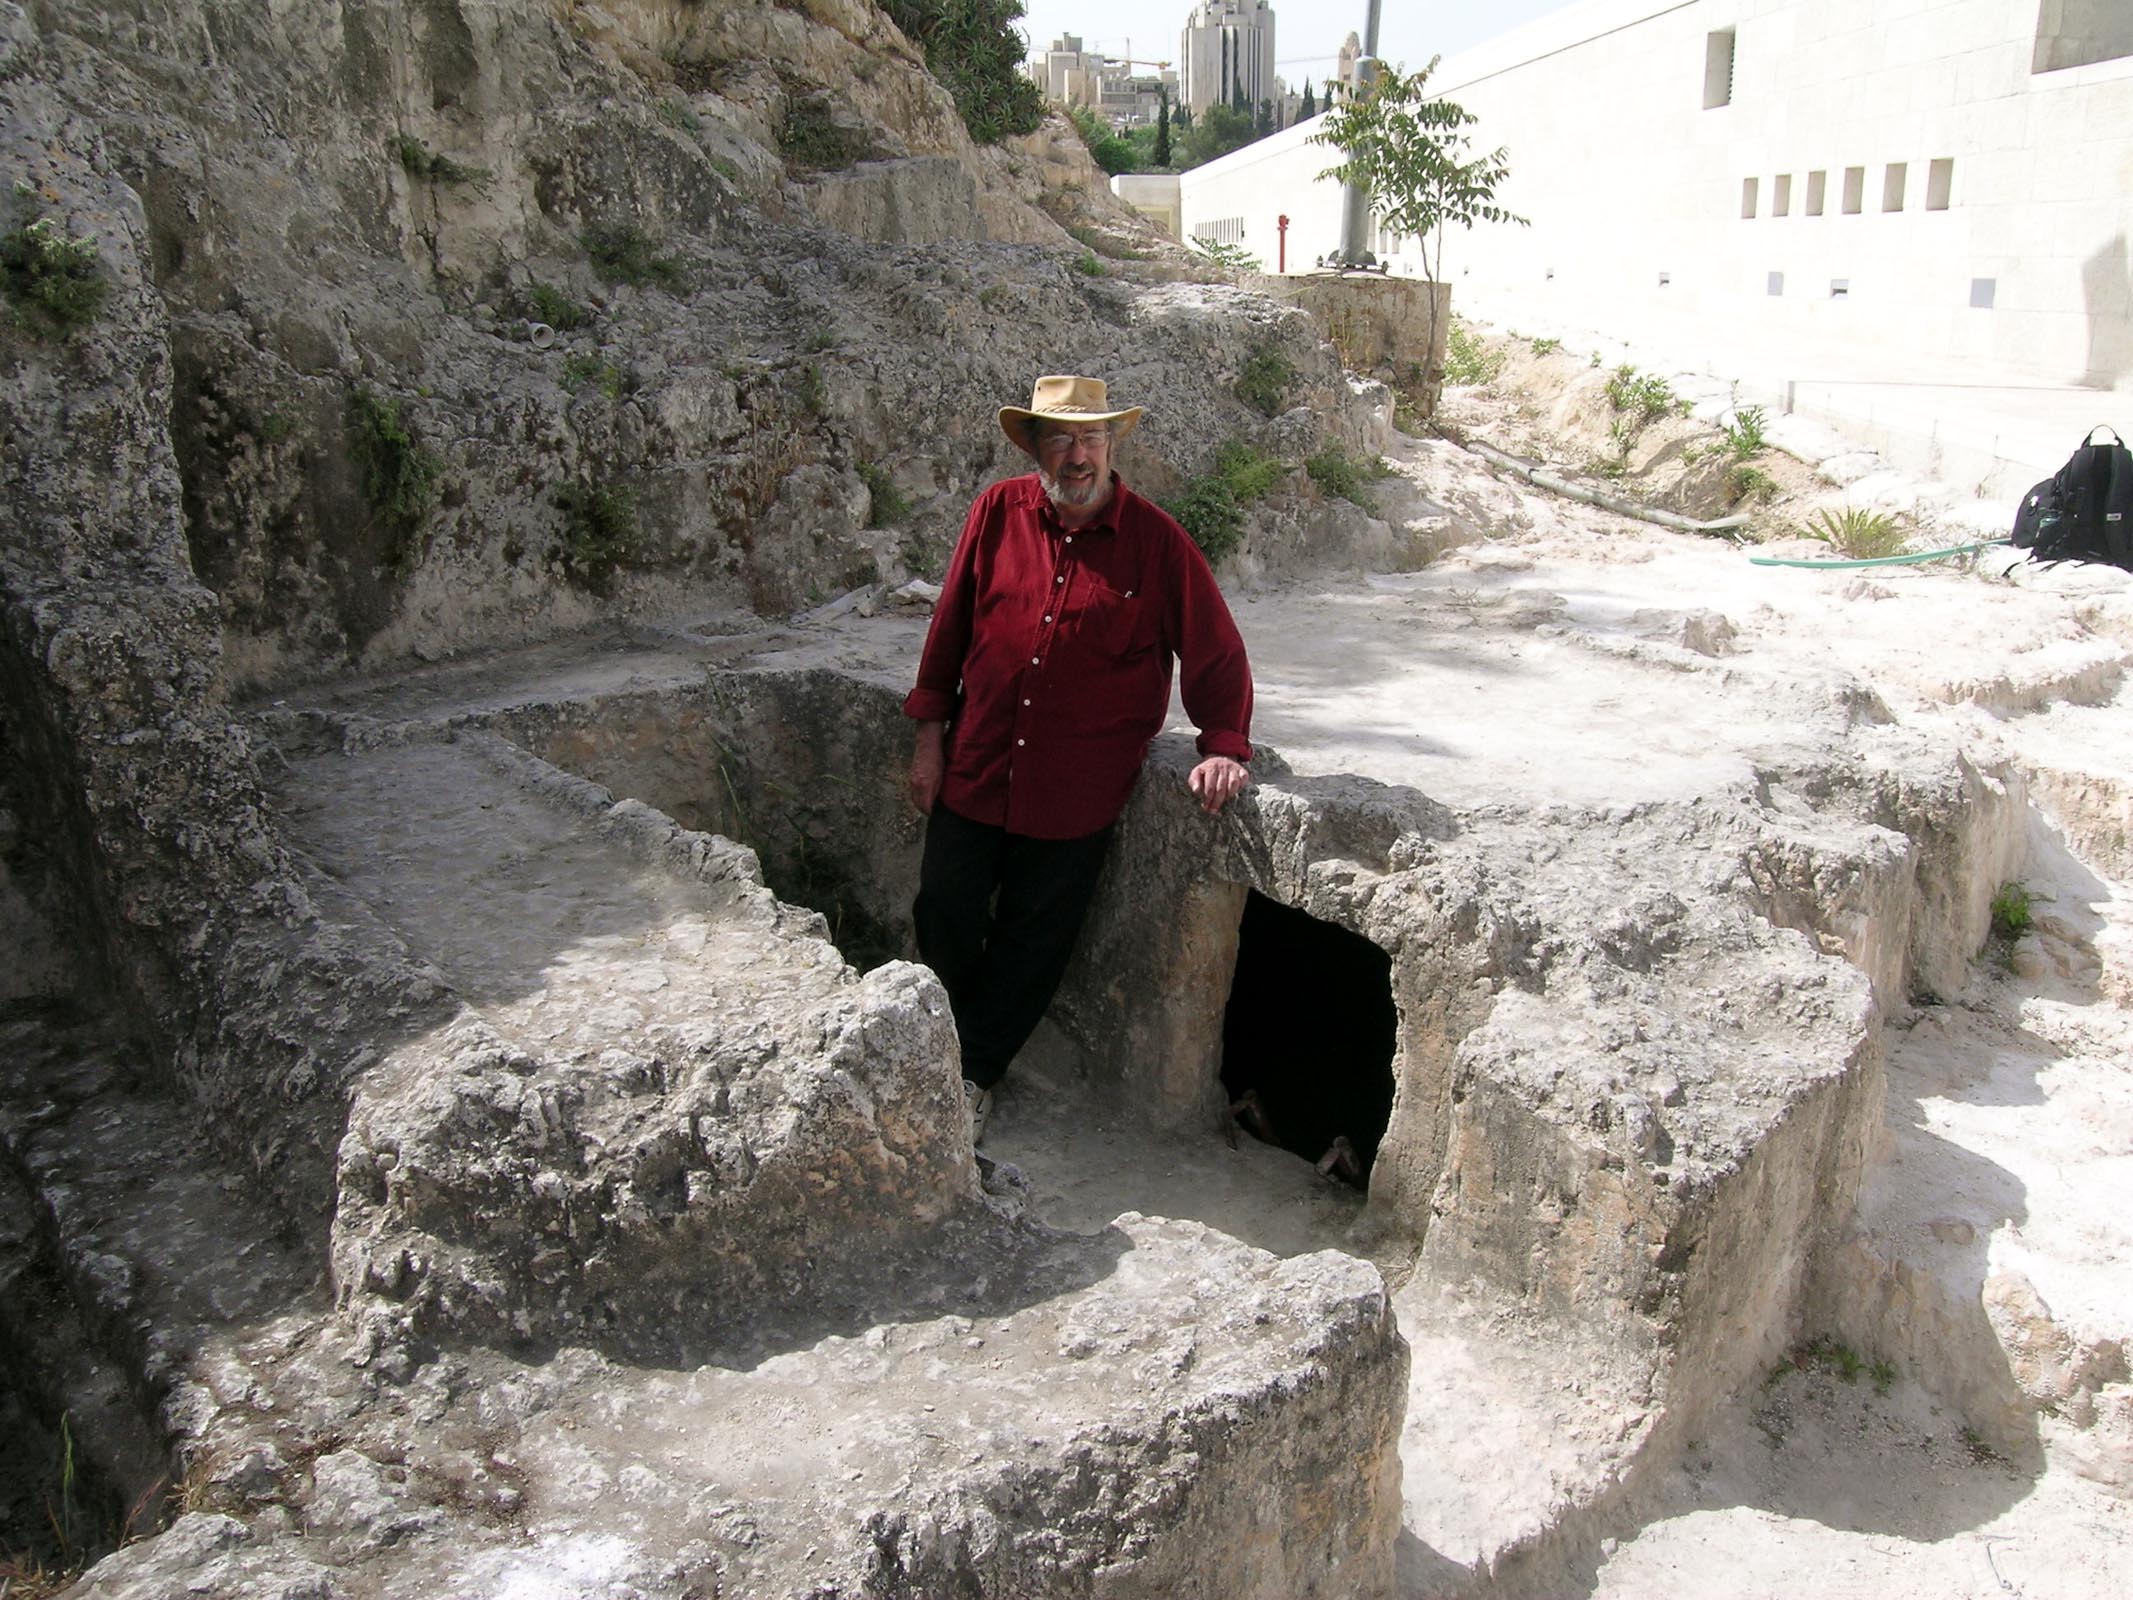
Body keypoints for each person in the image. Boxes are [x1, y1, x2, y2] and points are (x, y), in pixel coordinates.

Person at [903, 375, 1255, 1141]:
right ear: (1033, 446)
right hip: (979, 764)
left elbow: (1215, 651)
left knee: (1034, 941)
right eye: (1059, 438)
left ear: (1112, 447)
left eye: (1091, 438)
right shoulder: (996, 512)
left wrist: (1222, 742)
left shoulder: (1158, 543)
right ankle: (943, 1042)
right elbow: (951, 626)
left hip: (1076, 788)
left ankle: (972, 1074)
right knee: (944, 912)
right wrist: (929, 737)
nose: (1076, 455)